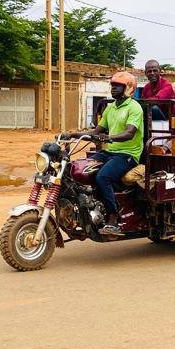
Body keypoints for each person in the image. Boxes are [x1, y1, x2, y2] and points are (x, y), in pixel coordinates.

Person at [62, 71, 143, 236]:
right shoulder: (110, 108)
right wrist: (72, 135)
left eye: (117, 86)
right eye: (112, 85)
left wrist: (109, 137)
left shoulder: (134, 107)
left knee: (103, 177)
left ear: (128, 88)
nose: (113, 89)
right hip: (110, 152)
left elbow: (129, 133)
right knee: (78, 168)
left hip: (128, 154)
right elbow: (96, 132)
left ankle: (113, 218)